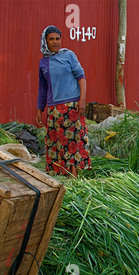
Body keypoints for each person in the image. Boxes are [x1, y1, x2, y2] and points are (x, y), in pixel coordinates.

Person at [35, 25, 91, 178]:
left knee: (73, 141)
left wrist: (82, 100)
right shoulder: (43, 63)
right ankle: (62, 176)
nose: (55, 42)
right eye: (51, 39)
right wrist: (40, 109)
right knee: (56, 142)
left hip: (72, 106)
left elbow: (81, 77)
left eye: (57, 38)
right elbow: (43, 88)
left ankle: (74, 177)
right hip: (53, 109)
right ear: (45, 42)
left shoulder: (68, 55)